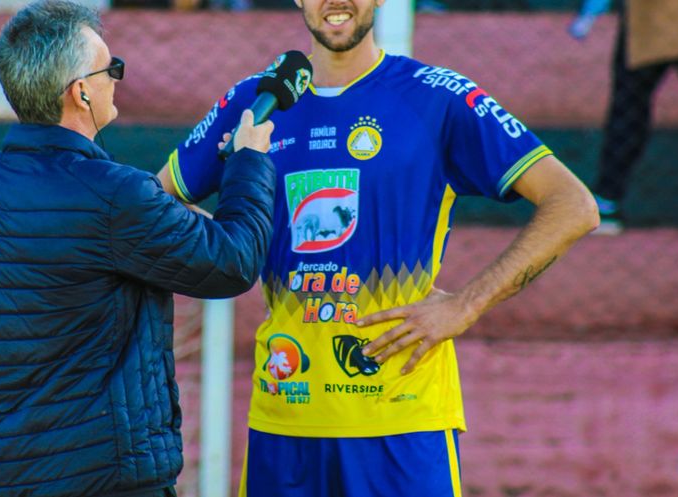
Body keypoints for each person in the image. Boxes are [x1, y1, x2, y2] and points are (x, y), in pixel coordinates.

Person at [157, 0, 599, 495]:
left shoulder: (438, 96)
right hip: (285, 416)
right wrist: (224, 244)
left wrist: (466, 305)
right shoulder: (255, 101)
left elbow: (573, 205)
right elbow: (153, 202)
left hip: (402, 421)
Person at [0, 1, 277, 496]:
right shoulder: (116, 195)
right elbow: (233, 262)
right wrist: (249, 160)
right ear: (81, 92)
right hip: (113, 480)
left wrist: (22, 445)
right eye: (111, 68)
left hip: (13, 478)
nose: (116, 79)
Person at [571, 0, 678, 233]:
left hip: (677, 15)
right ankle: (606, 200)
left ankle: (606, 200)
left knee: (631, 104)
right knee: (630, 104)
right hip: (668, 16)